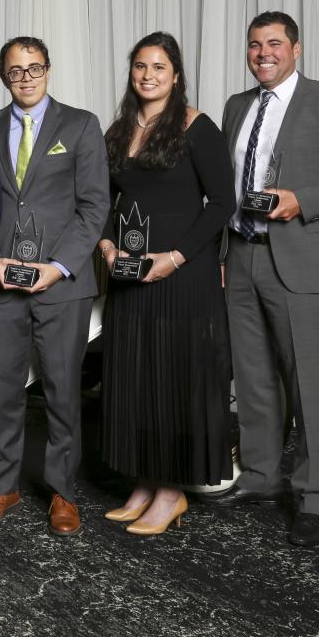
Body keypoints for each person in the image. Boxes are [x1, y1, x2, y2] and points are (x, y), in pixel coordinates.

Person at [204, 11, 319, 546]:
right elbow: (226, 187)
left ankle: (314, 496)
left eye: (275, 43)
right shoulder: (237, 107)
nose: (264, 53)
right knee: (253, 376)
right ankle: (260, 475)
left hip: (299, 261)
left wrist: (301, 201)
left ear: (296, 48)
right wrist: (219, 253)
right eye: (255, 44)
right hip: (240, 255)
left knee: (306, 381)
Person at [96, 32, 236, 536]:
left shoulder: (198, 128)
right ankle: (145, 481)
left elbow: (222, 203)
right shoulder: (118, 130)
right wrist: (109, 248)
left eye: (158, 66)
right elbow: (103, 203)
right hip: (131, 277)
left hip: (182, 276)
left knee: (175, 382)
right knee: (136, 380)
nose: (148, 75)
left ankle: (173, 492)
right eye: (139, 66)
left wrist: (174, 258)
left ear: (175, 75)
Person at [0, 36, 110, 536]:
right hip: (0, 283)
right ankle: (3, 486)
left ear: (48, 70)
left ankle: (62, 493)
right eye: (15, 71)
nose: (25, 78)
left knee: (61, 390)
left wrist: (59, 266)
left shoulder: (81, 125)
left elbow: (94, 206)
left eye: (34, 69)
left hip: (61, 284)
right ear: (2, 76)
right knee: (5, 388)